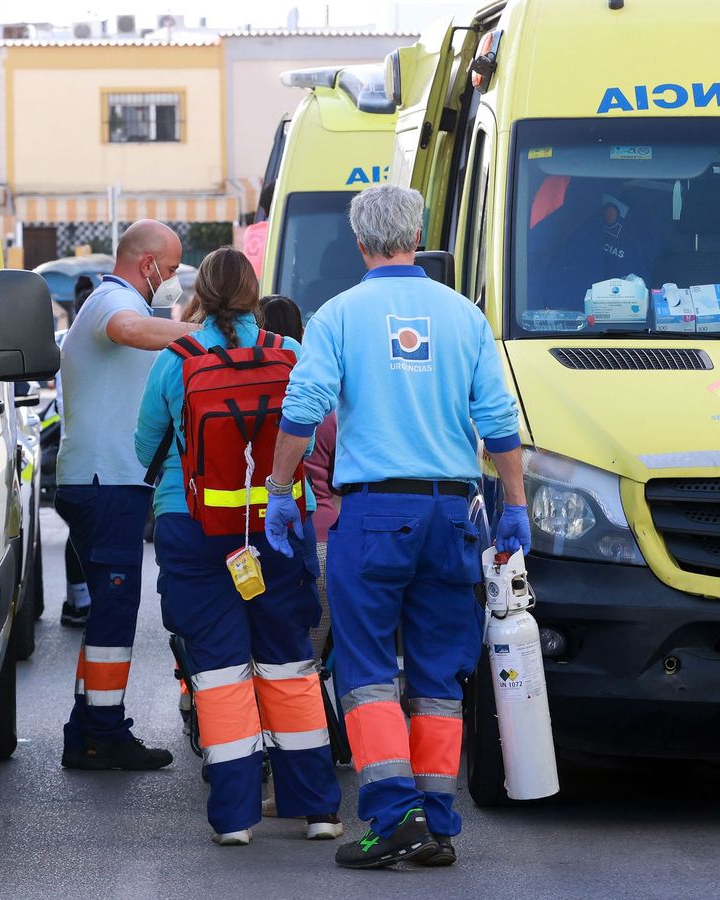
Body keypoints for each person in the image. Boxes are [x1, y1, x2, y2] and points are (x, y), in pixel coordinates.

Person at [263, 184, 531, 869]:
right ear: (419, 234)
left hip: (375, 513)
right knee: (442, 672)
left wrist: (280, 489)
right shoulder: (463, 316)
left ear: (359, 243)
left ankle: (393, 816)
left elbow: (304, 405)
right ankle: (438, 822)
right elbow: (499, 420)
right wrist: (516, 502)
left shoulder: (339, 315)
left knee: (368, 671)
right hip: (454, 512)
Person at [136, 250, 343, 846]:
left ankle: (234, 819)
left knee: (221, 671)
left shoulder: (178, 359)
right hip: (278, 523)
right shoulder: (289, 353)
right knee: (290, 662)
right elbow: (318, 423)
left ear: (199, 296)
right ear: (255, 294)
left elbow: (143, 442)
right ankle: (319, 809)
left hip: (194, 526)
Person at [56, 219, 195, 770]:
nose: (175, 280)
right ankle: (102, 732)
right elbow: (129, 331)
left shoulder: (117, 300)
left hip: (106, 481)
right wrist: (199, 338)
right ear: (148, 265)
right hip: (104, 482)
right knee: (114, 616)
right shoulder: (109, 303)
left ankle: (88, 727)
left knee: (106, 619)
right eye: (174, 268)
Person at [258, 295, 337, 657]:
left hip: (254, 535)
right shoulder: (327, 405)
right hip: (322, 539)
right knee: (306, 658)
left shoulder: (253, 402)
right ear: (301, 335)